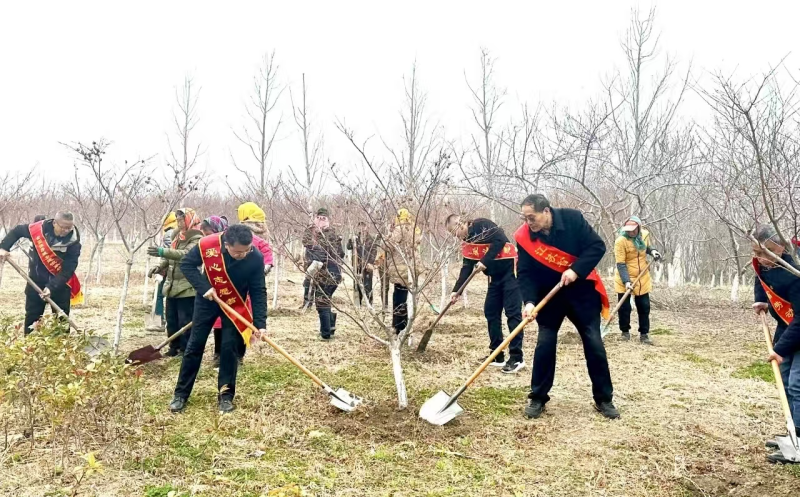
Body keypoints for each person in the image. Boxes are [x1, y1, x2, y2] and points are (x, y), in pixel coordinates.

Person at [515, 194, 619, 420]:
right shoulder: (524, 237)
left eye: (532, 217)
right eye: (525, 218)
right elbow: (524, 272)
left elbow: (597, 246)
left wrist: (575, 270)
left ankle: (604, 398)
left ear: (546, 211)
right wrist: (529, 302)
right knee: (545, 343)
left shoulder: (573, 219)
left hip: (581, 293)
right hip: (549, 296)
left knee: (593, 341)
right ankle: (538, 397)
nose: (528, 223)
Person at [170, 224, 267, 413]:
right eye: (238, 252)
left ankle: (226, 396)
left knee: (229, 349)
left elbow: (258, 290)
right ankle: (180, 394)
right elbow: (187, 265)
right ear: (226, 244)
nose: (243, 255)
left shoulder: (255, 257)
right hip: (208, 300)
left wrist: (260, 323)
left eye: (246, 250)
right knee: (194, 345)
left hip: (234, 305)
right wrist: (203, 287)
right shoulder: (208, 245)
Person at [446, 214, 524, 373]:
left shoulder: (481, 224)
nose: (456, 236)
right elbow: (467, 267)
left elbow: (500, 239)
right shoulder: (467, 243)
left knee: (512, 314)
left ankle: (516, 358)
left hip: (511, 273)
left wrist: (484, 261)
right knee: (491, 312)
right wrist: (456, 291)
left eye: (455, 232)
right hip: (494, 278)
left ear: (461, 224)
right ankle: (497, 354)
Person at [751, 225, 800, 464]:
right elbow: (760, 276)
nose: (760, 258)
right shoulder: (766, 263)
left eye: (766, 252)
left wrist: (779, 350)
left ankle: (799, 440)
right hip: (788, 327)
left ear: (780, 248)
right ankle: (793, 434)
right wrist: (760, 299)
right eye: (756, 252)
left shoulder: (795, 272)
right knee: (786, 378)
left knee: (797, 384)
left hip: (798, 326)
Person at [0, 212, 82, 333]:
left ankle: (62, 345)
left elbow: (68, 269)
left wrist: (51, 287)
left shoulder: (74, 243)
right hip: (35, 281)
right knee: (32, 321)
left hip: (60, 284)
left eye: (69, 228)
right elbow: (17, 231)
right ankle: (30, 344)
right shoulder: (39, 230)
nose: (66, 231)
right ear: (54, 223)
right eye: (63, 227)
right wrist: (3, 247)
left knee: (61, 322)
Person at [147, 208, 202, 357]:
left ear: (189, 220)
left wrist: (162, 251)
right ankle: (173, 347)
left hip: (187, 286)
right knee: (171, 320)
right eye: (177, 220)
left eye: (181, 220)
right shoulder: (177, 236)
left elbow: (185, 255)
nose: (178, 223)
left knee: (185, 320)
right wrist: (160, 267)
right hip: (172, 285)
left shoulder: (197, 237)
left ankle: (185, 349)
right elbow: (169, 256)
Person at [375, 208, 424, 340]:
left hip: (401, 269)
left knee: (399, 298)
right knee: (408, 298)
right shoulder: (415, 229)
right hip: (412, 269)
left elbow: (387, 246)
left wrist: (388, 233)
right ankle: (406, 326)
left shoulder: (399, 229)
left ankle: (399, 327)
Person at [613, 216, 662, 344]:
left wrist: (653, 252)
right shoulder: (620, 241)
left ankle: (644, 334)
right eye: (628, 230)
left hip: (642, 277)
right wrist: (626, 281)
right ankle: (625, 332)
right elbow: (621, 264)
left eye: (634, 230)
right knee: (624, 308)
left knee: (644, 306)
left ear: (639, 228)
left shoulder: (644, 235)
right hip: (624, 277)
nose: (631, 232)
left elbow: (647, 247)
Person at [303, 207, 344, 340]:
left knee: (322, 302)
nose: (321, 221)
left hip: (328, 273)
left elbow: (330, 254)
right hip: (332, 273)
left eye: (323, 218)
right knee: (326, 300)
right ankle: (330, 328)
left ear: (328, 220)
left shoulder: (329, 234)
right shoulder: (318, 233)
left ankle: (325, 334)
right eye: (318, 218)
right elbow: (306, 242)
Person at [147, 212, 178, 332]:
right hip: (175, 270)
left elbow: (170, 254)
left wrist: (161, 271)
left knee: (159, 294)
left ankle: (159, 322)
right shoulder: (178, 231)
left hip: (169, 270)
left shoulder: (169, 233)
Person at [347, 222, 379, 306]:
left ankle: (369, 303)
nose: (361, 228)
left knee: (368, 285)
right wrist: (350, 239)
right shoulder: (356, 239)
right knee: (357, 284)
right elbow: (348, 247)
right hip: (357, 266)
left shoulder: (371, 239)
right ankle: (358, 303)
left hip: (367, 266)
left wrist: (370, 263)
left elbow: (374, 252)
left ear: (366, 227)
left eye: (363, 226)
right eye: (360, 226)